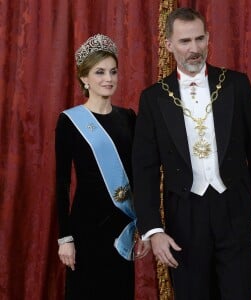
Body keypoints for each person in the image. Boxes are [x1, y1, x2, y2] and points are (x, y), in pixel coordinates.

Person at [132, 7, 251, 300]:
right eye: (185, 42)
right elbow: (144, 171)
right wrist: (153, 230)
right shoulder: (153, 97)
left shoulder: (236, 84)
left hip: (235, 211)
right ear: (169, 45)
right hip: (185, 216)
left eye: (199, 39)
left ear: (209, 38)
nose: (194, 49)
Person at [55, 33, 150, 300]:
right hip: (85, 227)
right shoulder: (70, 121)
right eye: (99, 72)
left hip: (122, 227)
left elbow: (138, 176)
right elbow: (61, 184)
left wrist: (142, 226)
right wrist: (65, 238)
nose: (108, 79)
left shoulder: (129, 117)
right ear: (84, 78)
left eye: (113, 71)